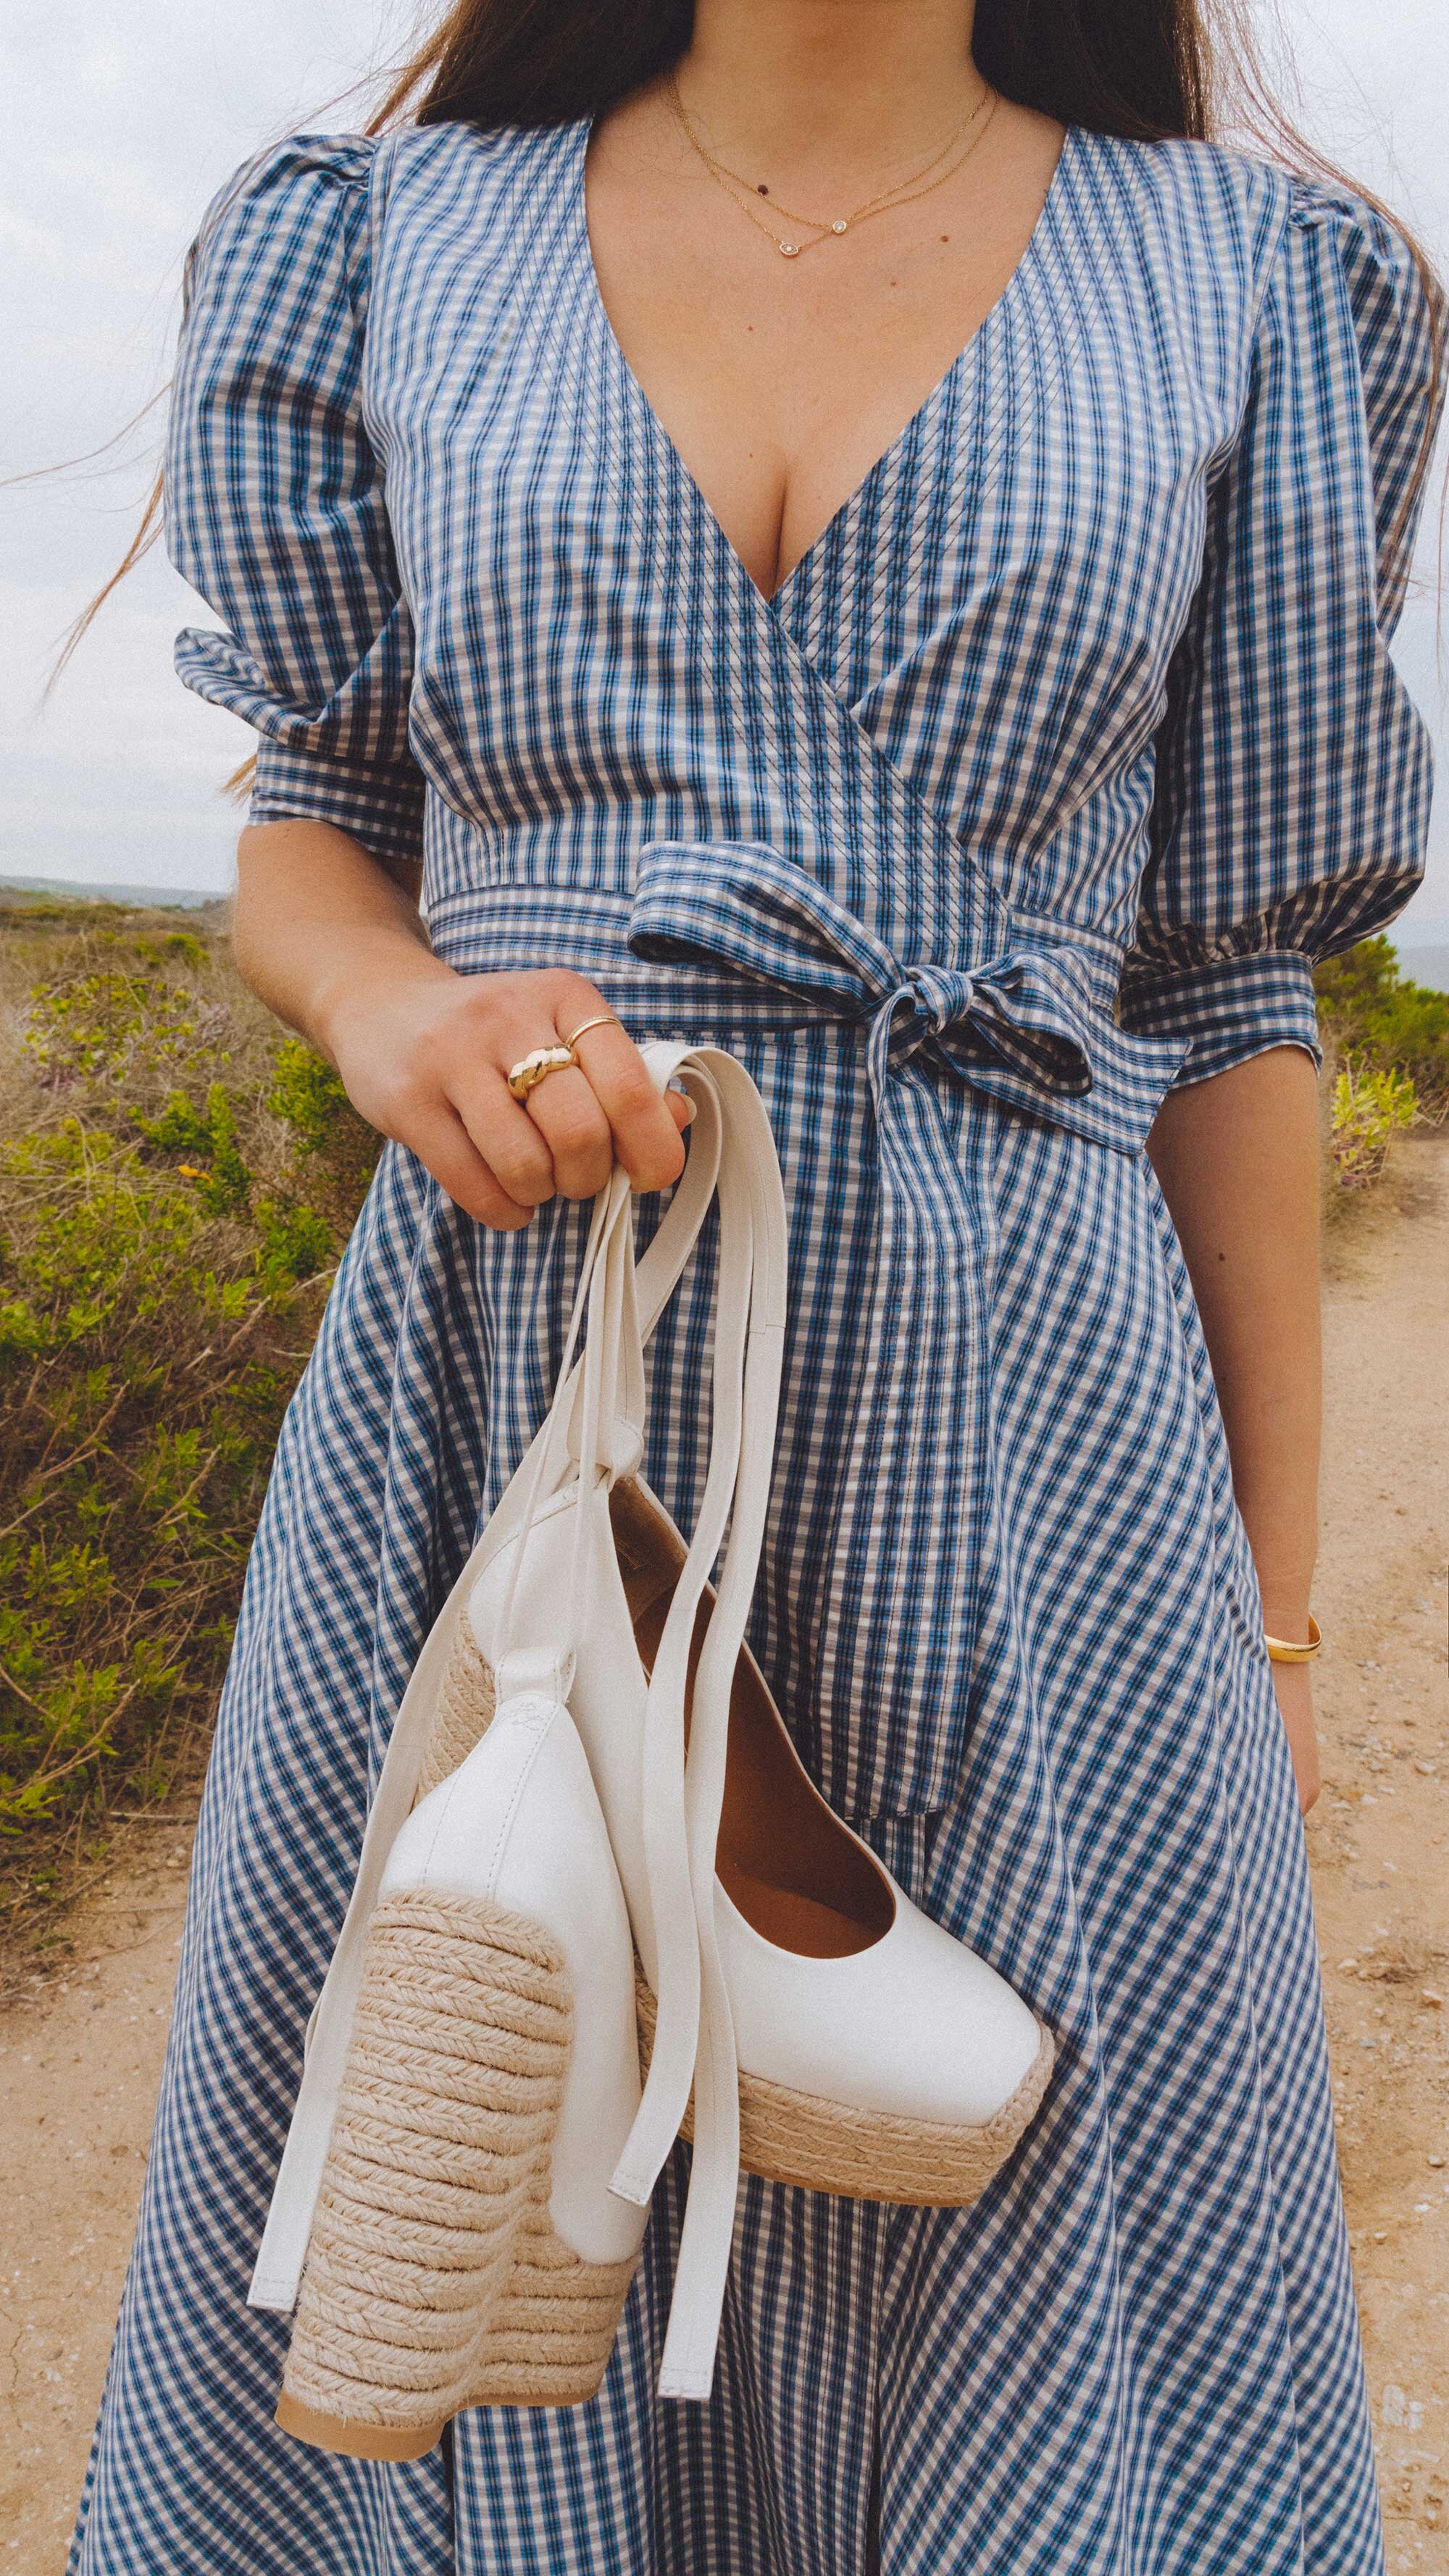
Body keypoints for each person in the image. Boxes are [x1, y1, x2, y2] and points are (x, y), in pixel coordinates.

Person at [69, 0, 1444, 2566]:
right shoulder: (378, 236)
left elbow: (1232, 998)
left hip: (1038, 1426)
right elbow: (318, 834)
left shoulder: (1256, 275)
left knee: (1028, 2210)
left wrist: (1259, 1632)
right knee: (472, 2215)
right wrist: (398, 1009)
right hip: (507, 1369)